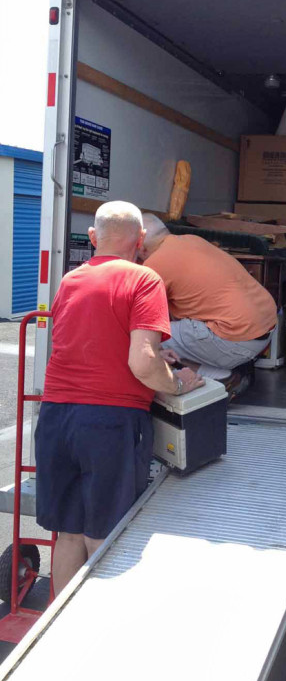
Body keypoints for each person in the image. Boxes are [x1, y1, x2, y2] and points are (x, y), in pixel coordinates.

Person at [36, 201, 204, 596]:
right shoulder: (144, 280)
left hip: (57, 418)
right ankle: (98, 632)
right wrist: (177, 383)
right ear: (141, 240)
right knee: (104, 534)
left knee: (69, 534)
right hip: (108, 423)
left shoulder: (71, 280)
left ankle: (59, 628)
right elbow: (143, 364)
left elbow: (87, 342)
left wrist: (148, 353)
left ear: (94, 238)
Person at [139, 214, 278, 394]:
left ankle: (224, 376)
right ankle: (236, 367)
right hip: (265, 330)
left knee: (145, 337)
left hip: (237, 339)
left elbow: (138, 315)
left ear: (141, 248)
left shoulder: (154, 265)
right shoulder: (192, 240)